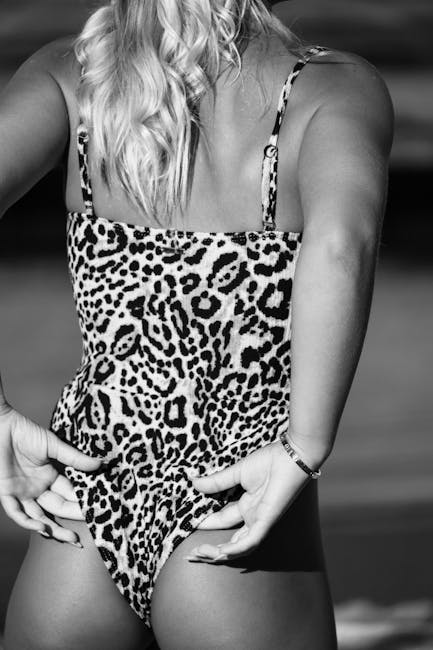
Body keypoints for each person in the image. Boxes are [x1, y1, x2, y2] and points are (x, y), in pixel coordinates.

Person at [0, 1, 394, 648]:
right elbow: (339, 247)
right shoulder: (331, 87)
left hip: (85, 511)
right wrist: (305, 445)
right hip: (230, 506)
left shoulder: (71, 75)